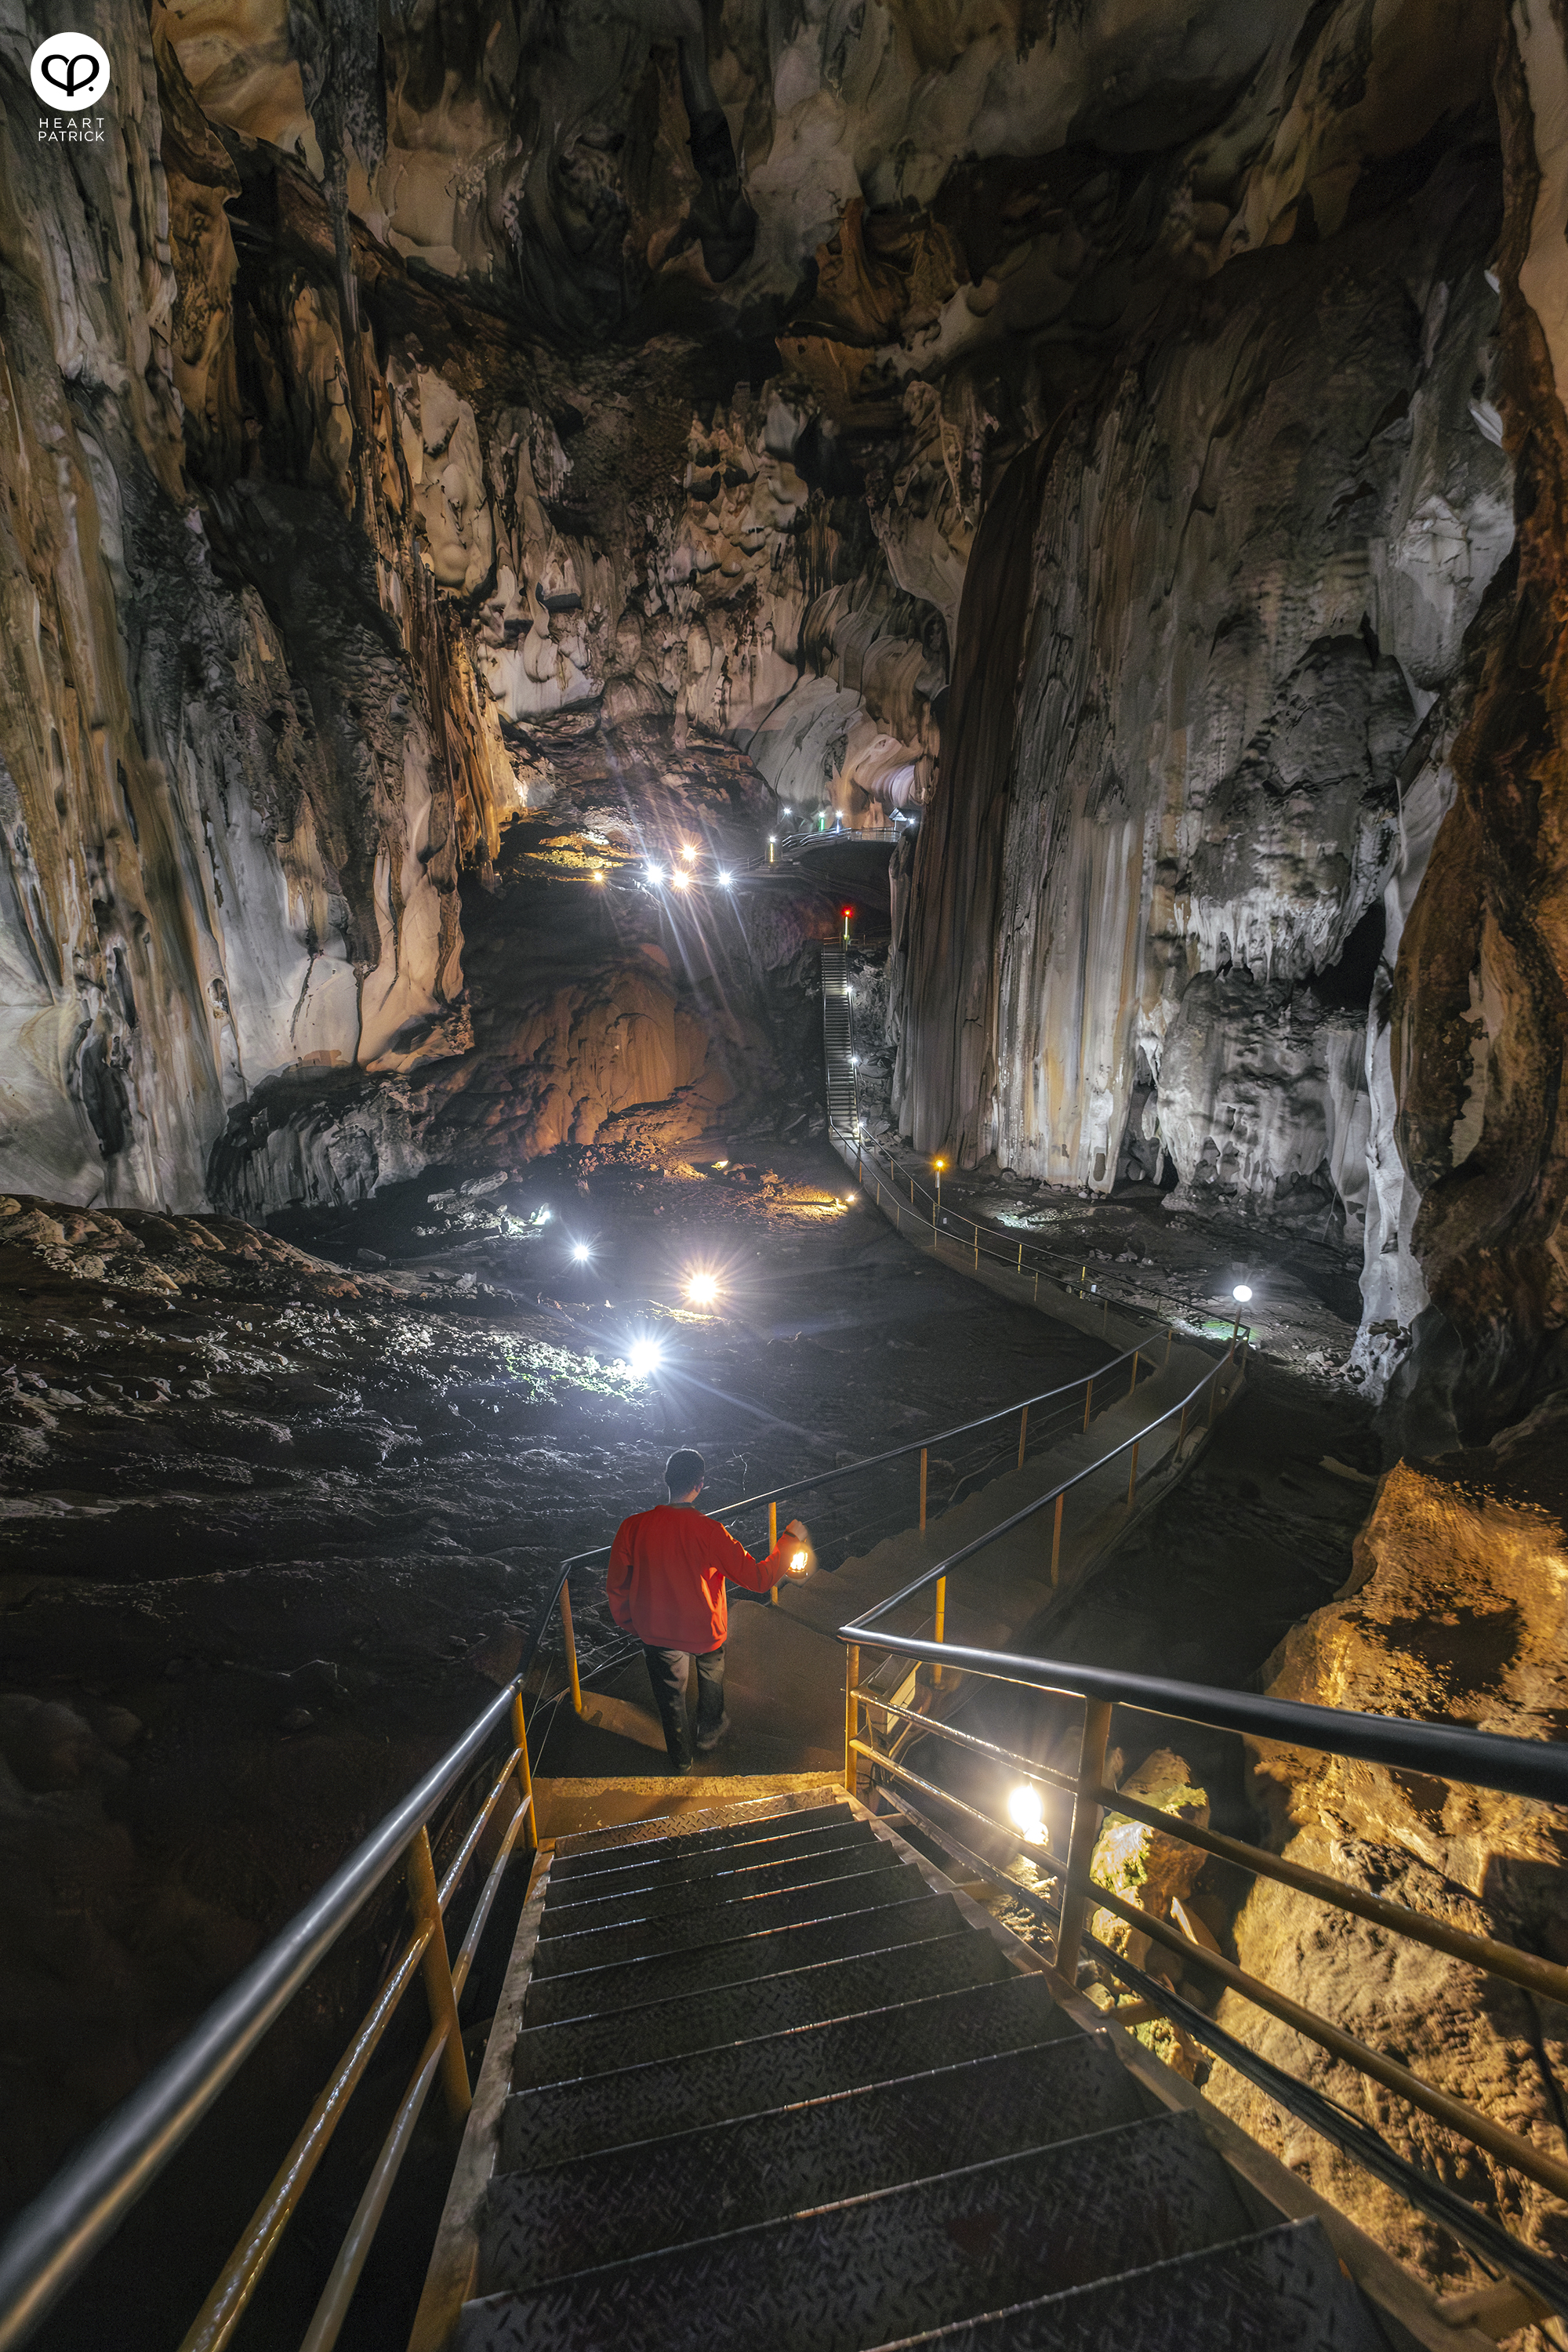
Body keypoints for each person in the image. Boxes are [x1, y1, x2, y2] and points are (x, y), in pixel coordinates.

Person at [607, 1449, 809, 1773]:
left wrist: (635, 1624)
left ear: (666, 1480)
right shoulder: (711, 1532)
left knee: (670, 1698)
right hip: (704, 1629)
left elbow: (617, 1586)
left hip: (658, 1631)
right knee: (712, 1675)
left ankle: (680, 1760)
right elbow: (758, 1579)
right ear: (699, 1485)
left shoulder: (632, 1527)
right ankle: (709, 1732)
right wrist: (789, 1541)